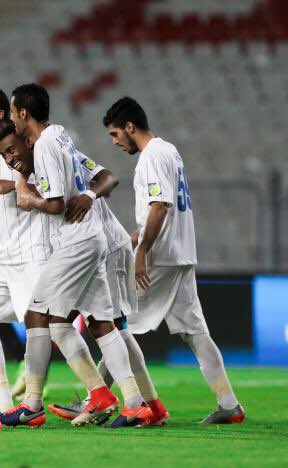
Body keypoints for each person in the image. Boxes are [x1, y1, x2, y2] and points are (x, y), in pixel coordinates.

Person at [0, 84, 152, 429]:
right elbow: (97, 176)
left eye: (11, 112)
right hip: (94, 240)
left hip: (76, 242)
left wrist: (29, 200)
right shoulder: (61, 137)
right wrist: (82, 191)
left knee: (40, 314)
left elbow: (55, 205)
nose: (10, 118)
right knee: (100, 323)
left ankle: (34, 404)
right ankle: (133, 402)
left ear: (23, 113)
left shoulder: (47, 145)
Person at [103, 96, 244, 424]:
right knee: (194, 332)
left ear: (129, 126)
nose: (115, 142)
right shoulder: (169, 151)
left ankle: (99, 400)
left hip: (161, 257)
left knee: (114, 324)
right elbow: (160, 209)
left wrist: (141, 253)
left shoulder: (151, 156)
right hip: (181, 253)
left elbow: (159, 207)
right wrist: (131, 239)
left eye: (114, 134)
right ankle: (229, 404)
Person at [49, 150, 170, 426]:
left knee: (102, 325)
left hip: (103, 247)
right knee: (110, 327)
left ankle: (127, 402)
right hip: (99, 245)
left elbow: (108, 179)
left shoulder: (51, 149)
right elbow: (105, 179)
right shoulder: (59, 149)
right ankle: (147, 404)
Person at [0, 88, 51, 412]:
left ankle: (34, 402)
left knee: (37, 323)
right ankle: (3, 404)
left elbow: (49, 188)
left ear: (0, 114)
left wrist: (15, 184)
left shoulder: (25, 145)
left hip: (31, 249)